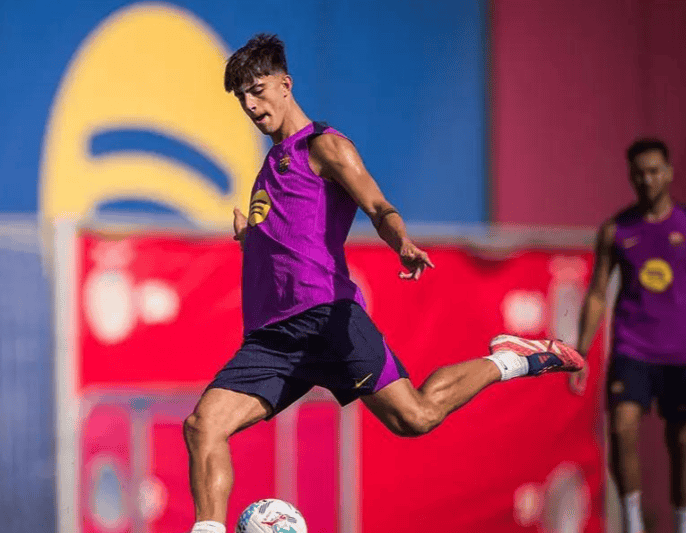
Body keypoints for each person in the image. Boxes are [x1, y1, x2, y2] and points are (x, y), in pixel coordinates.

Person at [182, 34, 585, 533]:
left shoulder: (325, 146)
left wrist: (401, 242)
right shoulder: (268, 168)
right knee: (203, 426)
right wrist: (254, 241)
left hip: (327, 319)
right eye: (241, 97)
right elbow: (291, 238)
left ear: (285, 84)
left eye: (257, 90)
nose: (249, 104)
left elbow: (377, 205)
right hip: (272, 337)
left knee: (415, 417)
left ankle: (511, 359)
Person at [573, 137, 686, 533]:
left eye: (654, 171)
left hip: (681, 354)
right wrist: (581, 352)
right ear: (631, 177)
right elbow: (596, 294)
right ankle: (633, 524)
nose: (647, 180)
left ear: (668, 173)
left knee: (682, 443)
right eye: (639, 173)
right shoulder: (617, 230)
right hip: (632, 348)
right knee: (621, 429)